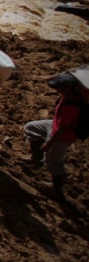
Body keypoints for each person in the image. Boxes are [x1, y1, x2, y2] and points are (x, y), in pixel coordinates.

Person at [24, 72, 88, 202]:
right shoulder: (69, 94)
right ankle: (37, 158)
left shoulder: (71, 106)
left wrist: (49, 144)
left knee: (52, 162)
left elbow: (61, 129)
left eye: (58, 87)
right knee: (30, 128)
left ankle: (56, 188)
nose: (56, 90)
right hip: (54, 125)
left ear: (67, 88)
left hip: (63, 136)